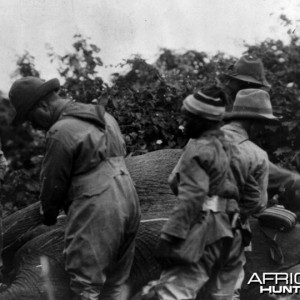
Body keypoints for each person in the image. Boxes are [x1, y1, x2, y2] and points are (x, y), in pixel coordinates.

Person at [8, 76, 141, 300]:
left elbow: (53, 181)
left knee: (85, 287)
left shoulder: (61, 131)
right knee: (116, 284)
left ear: (42, 106)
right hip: (128, 197)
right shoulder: (105, 117)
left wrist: (48, 213)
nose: (34, 126)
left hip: (96, 204)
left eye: (31, 118)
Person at [145, 87, 273, 300]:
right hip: (235, 233)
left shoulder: (200, 141)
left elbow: (175, 181)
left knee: (175, 291)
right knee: (226, 294)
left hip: (199, 226)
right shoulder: (258, 155)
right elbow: (259, 203)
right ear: (256, 122)